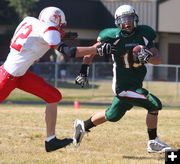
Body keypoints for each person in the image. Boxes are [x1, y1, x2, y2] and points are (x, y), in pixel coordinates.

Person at [0, 6, 110, 152]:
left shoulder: (29, 21)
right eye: (60, 25)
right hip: (8, 76)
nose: (60, 28)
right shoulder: (49, 31)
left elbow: (40, 36)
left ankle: (50, 140)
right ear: (56, 21)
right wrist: (95, 49)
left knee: (53, 96)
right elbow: (69, 51)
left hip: (20, 74)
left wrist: (61, 36)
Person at [73, 4, 171, 153]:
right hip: (123, 86)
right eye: (124, 19)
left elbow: (158, 59)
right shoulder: (112, 36)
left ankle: (83, 125)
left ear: (135, 19)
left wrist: (149, 57)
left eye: (130, 18)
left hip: (135, 83)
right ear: (118, 21)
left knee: (112, 115)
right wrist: (83, 71)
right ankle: (153, 142)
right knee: (154, 104)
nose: (127, 22)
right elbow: (91, 52)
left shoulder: (144, 34)